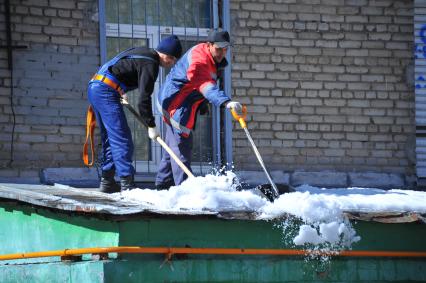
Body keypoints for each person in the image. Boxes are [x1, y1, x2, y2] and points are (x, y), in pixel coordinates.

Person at [86, 35, 182, 193]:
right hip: (105, 90)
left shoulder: (144, 52)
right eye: (172, 59)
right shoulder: (151, 63)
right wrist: (151, 124)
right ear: (166, 55)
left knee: (110, 138)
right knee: (122, 139)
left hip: (98, 86)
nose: (172, 64)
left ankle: (107, 181)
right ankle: (127, 185)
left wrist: (119, 89)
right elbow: (143, 100)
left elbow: (121, 67)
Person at [155, 30, 243, 189]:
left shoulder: (208, 55)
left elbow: (200, 83)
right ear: (209, 45)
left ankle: (162, 187)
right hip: (175, 105)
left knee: (171, 151)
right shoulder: (199, 60)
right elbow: (205, 85)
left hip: (180, 101)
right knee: (181, 150)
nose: (223, 53)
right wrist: (226, 102)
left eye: (226, 49)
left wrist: (201, 102)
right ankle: (187, 194)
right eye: (219, 49)